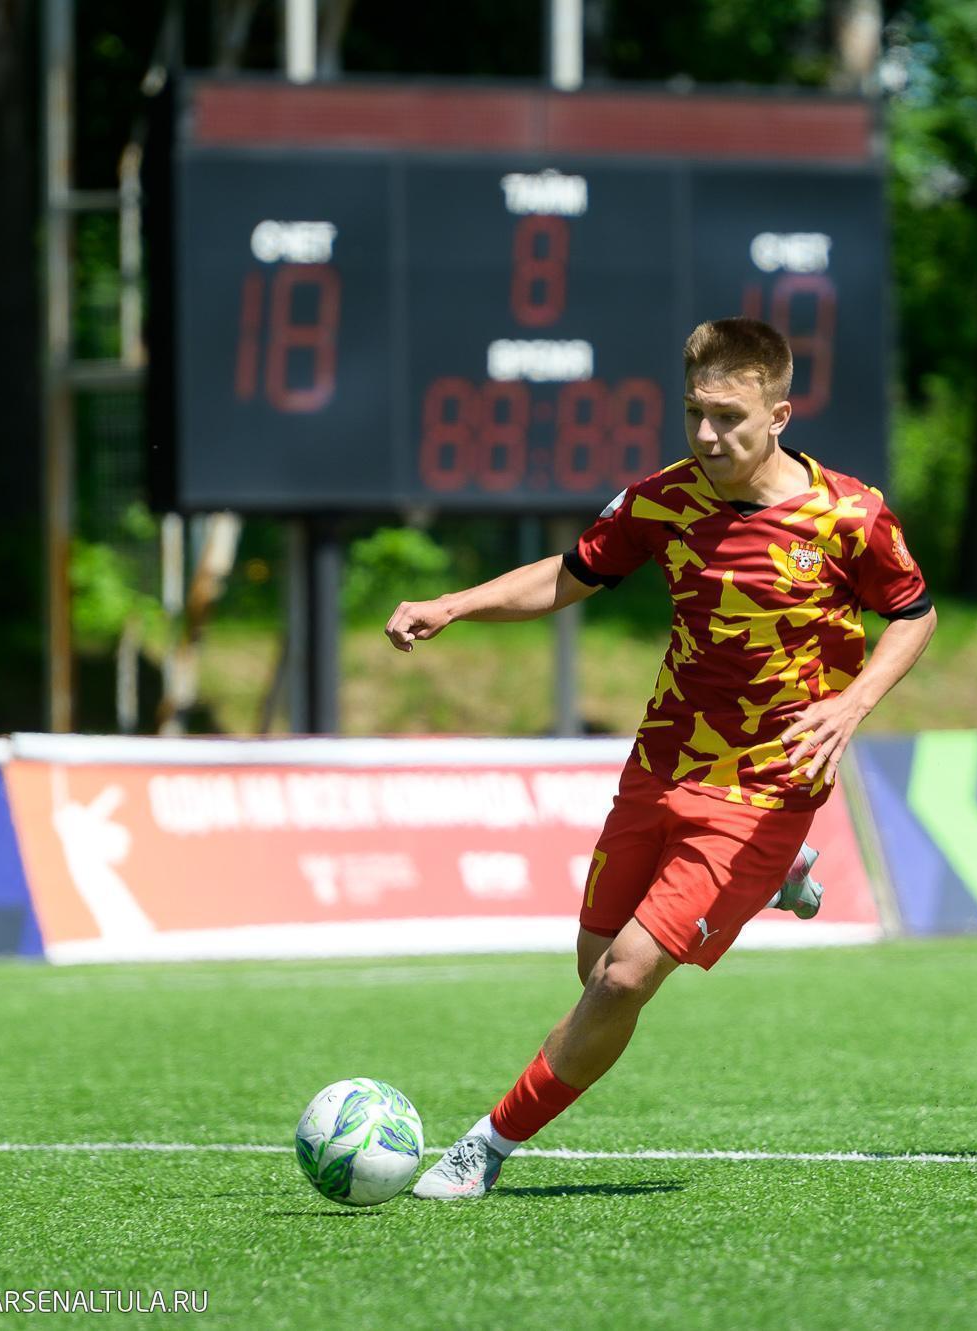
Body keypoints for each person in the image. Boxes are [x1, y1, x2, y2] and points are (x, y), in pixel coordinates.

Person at [388, 317, 937, 1198]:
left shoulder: (849, 516)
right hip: (663, 764)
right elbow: (569, 574)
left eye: (729, 417)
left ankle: (483, 1149)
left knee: (623, 978)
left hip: (769, 784)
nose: (708, 436)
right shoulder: (661, 499)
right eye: (693, 414)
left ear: (780, 415)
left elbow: (914, 613)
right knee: (595, 972)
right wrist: (454, 603)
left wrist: (852, 703)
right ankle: (777, 878)